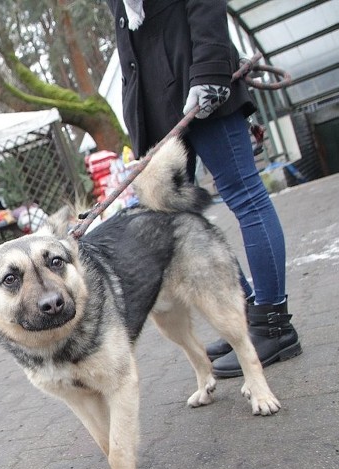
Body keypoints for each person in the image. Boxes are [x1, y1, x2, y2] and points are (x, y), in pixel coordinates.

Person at [105, 0, 301, 377]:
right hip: (157, 101)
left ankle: (274, 326)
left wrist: (210, 70)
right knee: (175, 212)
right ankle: (242, 321)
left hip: (199, 76)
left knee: (244, 194)